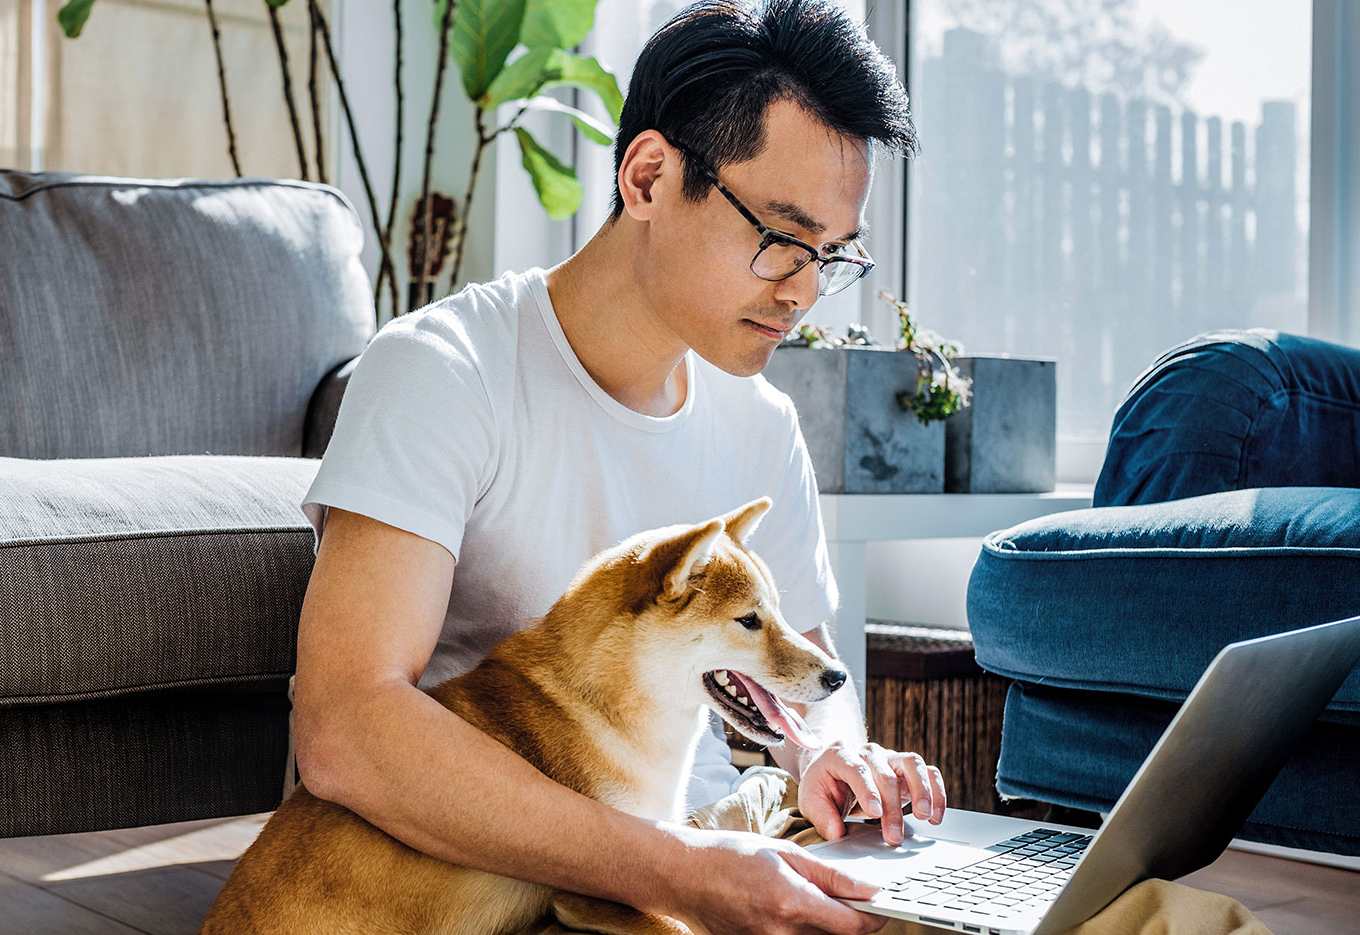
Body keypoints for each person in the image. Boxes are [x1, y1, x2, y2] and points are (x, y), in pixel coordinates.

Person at [293, 2, 934, 933]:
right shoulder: (443, 372)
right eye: (782, 238)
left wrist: (829, 755)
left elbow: (810, 666)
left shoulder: (761, 422)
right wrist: (678, 872)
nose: (803, 291)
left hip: (709, 843)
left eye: (830, 255)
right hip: (516, 879)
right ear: (649, 177)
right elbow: (345, 726)